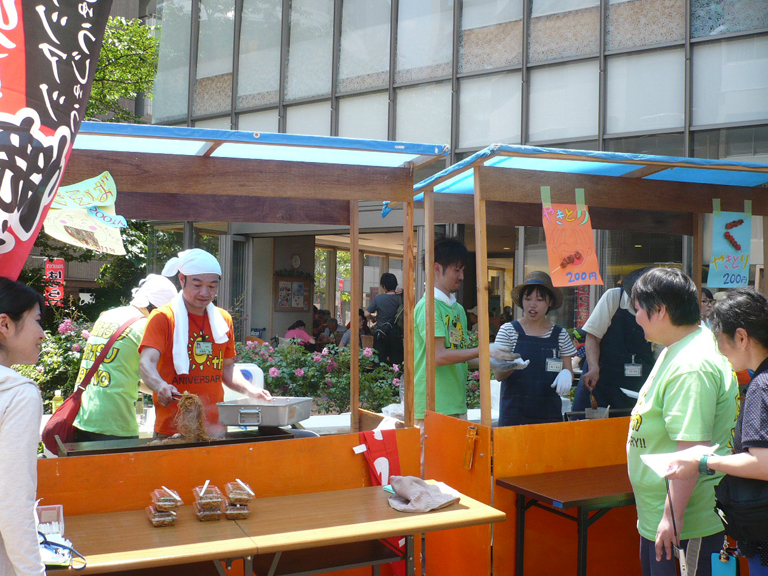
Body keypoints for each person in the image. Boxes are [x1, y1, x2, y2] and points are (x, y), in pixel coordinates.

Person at [626, 268, 737, 576]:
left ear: (660, 310)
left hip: (687, 522)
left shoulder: (692, 364)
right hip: (663, 516)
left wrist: (670, 517)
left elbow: (692, 450)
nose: (635, 317)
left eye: (638, 309)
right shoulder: (678, 347)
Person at [665, 288, 768, 575]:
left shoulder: (761, 386)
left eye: (718, 338)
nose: (718, 349)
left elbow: (763, 463)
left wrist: (703, 461)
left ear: (742, 337)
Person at [139, 249, 272, 438]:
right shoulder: (163, 318)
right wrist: (160, 385)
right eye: (197, 284)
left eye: (212, 286)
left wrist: (251, 390)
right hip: (173, 429)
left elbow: (227, 368)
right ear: (182, 279)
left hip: (215, 426)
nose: (204, 292)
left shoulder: (222, 319)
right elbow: (146, 363)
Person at [414, 237, 517, 425]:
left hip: (456, 405)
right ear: (436, 268)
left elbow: (458, 356)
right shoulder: (428, 306)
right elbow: (439, 356)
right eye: (456, 270)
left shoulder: (458, 309)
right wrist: (485, 350)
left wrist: (494, 361)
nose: (461, 276)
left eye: (463, 270)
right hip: (432, 407)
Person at [73, 274, 177, 441]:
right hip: (115, 424)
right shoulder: (145, 326)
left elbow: (121, 372)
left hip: (83, 417)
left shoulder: (107, 316)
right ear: (157, 308)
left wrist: (162, 390)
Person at [0, 277, 46, 576]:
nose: (42, 334)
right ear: (4, 325)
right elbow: (13, 503)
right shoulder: (18, 394)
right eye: (37, 321)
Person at [494, 271, 576, 426]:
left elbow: (568, 371)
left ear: (550, 302)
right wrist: (512, 364)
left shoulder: (560, 334)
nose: (532, 305)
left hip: (549, 414)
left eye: (539, 300)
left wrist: (567, 375)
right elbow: (498, 375)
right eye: (528, 299)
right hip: (514, 414)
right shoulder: (508, 330)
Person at [574, 267, 656, 411]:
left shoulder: (655, 309)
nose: (638, 306)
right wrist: (593, 368)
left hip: (637, 382)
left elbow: (659, 351)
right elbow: (593, 337)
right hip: (601, 376)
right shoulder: (613, 297)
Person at [366, 272, 404, 366]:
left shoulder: (378, 298)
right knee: (397, 365)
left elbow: (366, 314)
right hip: (396, 335)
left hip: (381, 335)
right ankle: (396, 380)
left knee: (378, 365)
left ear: (384, 286)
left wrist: (373, 318)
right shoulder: (400, 298)